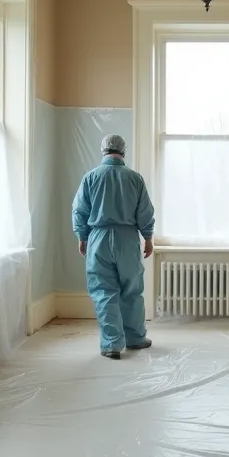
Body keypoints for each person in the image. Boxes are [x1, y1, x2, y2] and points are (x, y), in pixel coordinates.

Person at [72, 134, 156, 359]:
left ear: (103, 150)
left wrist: (82, 236)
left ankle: (111, 345)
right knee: (132, 290)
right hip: (127, 238)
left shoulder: (90, 178)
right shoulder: (134, 178)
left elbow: (80, 210)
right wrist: (147, 237)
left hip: (98, 238)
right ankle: (136, 338)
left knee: (103, 291)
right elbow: (145, 212)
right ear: (123, 150)